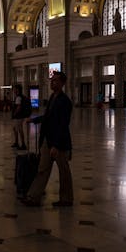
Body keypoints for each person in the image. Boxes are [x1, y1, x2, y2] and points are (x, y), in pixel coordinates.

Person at [21, 71, 73, 207]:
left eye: (55, 80)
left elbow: (62, 125)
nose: (52, 82)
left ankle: (66, 199)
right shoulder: (52, 98)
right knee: (42, 169)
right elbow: (48, 117)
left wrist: (55, 145)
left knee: (64, 172)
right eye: (52, 80)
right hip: (48, 140)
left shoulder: (65, 101)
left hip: (59, 143)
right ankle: (33, 197)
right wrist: (33, 120)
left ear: (62, 83)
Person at [11, 84, 28, 150]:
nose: (14, 90)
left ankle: (23, 144)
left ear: (18, 89)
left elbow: (18, 107)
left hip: (18, 116)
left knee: (20, 129)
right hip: (19, 116)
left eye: (15, 89)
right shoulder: (19, 96)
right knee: (15, 128)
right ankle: (16, 142)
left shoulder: (18, 97)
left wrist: (15, 114)